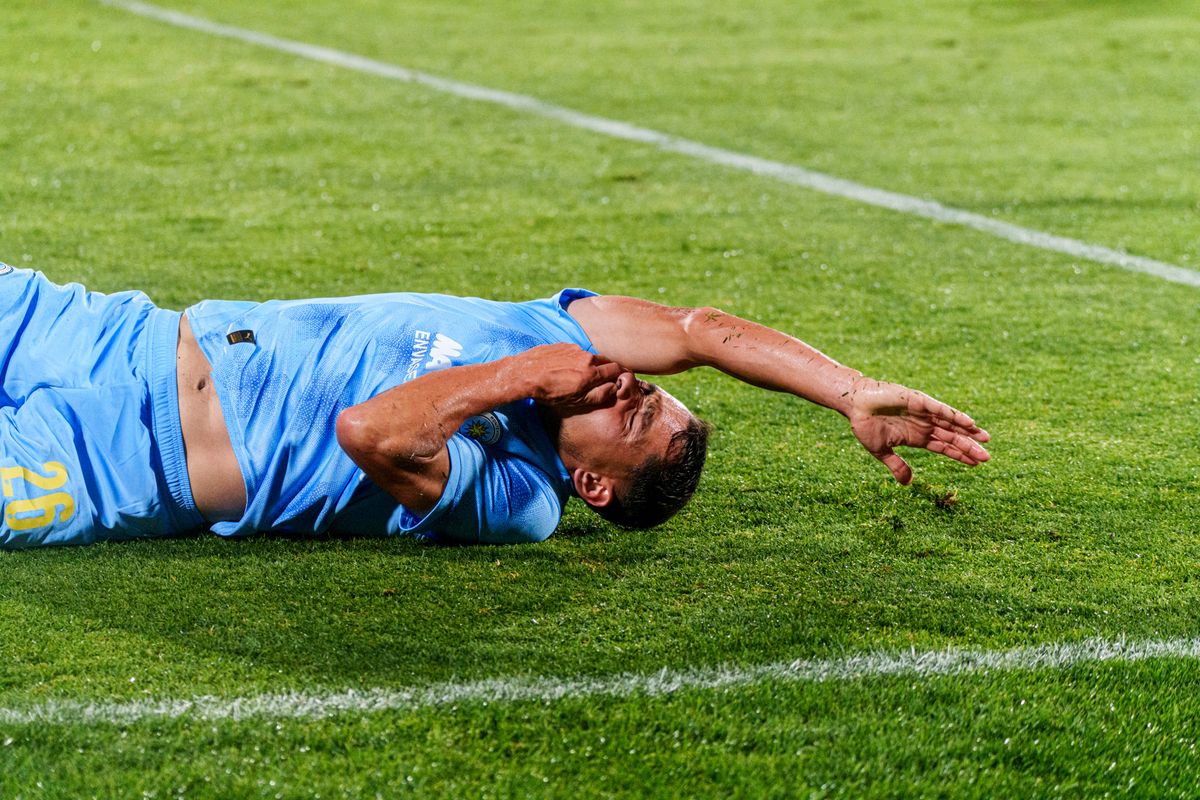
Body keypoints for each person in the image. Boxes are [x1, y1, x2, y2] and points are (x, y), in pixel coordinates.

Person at [0, 263, 989, 549]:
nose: (638, 389)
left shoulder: (516, 498)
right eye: (657, 397)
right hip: (103, 332)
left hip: (109, 465)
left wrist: (524, 378)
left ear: (593, 484)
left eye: (641, 418)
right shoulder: (544, 324)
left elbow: (372, 432)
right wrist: (847, 389)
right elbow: (694, 328)